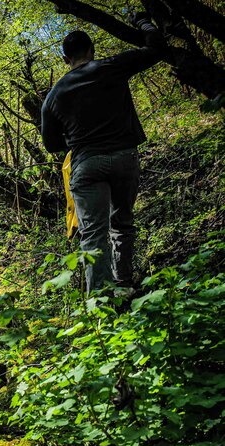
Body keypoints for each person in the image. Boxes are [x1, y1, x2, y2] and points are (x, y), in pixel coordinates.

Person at [40, 14, 166, 294]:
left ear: (65, 60)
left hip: (86, 164)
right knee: (122, 222)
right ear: (91, 51)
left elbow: (51, 145)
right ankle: (124, 283)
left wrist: (78, 140)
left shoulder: (53, 96)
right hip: (124, 158)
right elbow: (157, 49)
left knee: (93, 235)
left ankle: (101, 301)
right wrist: (144, 22)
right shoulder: (112, 67)